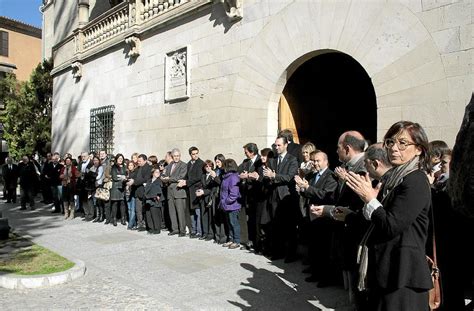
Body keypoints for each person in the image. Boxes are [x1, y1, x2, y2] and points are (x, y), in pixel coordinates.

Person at [345, 121, 433, 310]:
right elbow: (379, 219)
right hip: (387, 269)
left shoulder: (415, 180)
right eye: (390, 142)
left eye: (403, 143)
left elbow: (392, 224)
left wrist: (369, 199)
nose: (394, 148)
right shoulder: (393, 179)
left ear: (418, 149)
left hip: (403, 274)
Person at [295, 150, 338, 284]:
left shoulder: (331, 177)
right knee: (314, 245)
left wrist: (307, 187)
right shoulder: (313, 176)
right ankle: (314, 270)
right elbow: (310, 193)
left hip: (323, 217)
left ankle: (324, 277)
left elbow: (325, 195)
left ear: (326, 162)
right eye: (314, 161)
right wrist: (302, 189)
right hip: (312, 215)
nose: (315, 163)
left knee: (323, 248)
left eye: (318, 161)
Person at [264, 136, 299, 262]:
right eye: (275, 145)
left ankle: (291, 254)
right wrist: (267, 176)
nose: (276, 147)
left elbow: (289, 177)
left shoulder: (292, 160)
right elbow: (269, 177)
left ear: (285, 145)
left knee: (289, 226)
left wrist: (274, 175)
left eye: (279, 145)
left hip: (286, 196)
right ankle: (278, 251)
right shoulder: (273, 160)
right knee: (276, 225)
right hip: (274, 196)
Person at [161, 148, 188, 237]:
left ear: (180, 156)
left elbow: (181, 177)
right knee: (171, 211)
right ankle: (175, 229)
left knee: (180, 212)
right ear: (172, 156)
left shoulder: (183, 165)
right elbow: (163, 175)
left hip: (179, 191)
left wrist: (168, 179)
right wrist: (164, 178)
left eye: (178, 156)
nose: (176, 158)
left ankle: (182, 230)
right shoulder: (169, 165)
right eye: (175, 156)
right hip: (170, 191)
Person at [220, 159, 242, 249]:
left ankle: (236, 241)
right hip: (227, 205)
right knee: (229, 223)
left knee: (234, 223)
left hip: (233, 205)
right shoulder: (227, 176)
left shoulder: (233, 177)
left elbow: (234, 193)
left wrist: (226, 201)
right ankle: (231, 239)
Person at [127, 154, 152, 231]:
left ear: (145, 160)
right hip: (137, 191)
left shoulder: (148, 168)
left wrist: (134, 182)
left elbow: (146, 179)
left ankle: (145, 224)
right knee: (138, 210)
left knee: (144, 210)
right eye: (138, 161)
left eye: (140, 161)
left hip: (144, 191)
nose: (138, 162)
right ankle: (140, 224)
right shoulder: (138, 167)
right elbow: (135, 176)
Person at [108, 154, 127, 226]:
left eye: (121, 158)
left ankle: (123, 219)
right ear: (116, 159)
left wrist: (121, 176)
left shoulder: (125, 166)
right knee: (115, 203)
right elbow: (115, 177)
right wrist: (123, 177)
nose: (120, 160)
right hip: (115, 187)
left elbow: (127, 176)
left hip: (123, 187)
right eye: (119, 158)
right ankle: (114, 219)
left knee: (122, 203)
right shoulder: (114, 167)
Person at [144, 166, 164, 234]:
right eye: (156, 172)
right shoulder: (149, 180)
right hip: (148, 199)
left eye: (159, 172)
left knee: (155, 215)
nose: (158, 173)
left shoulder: (159, 181)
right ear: (153, 173)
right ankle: (151, 228)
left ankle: (157, 229)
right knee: (149, 214)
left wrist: (156, 195)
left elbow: (159, 190)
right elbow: (146, 189)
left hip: (155, 200)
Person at [125, 161, 138, 230]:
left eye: (131, 165)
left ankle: (130, 225)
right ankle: (134, 223)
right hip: (127, 193)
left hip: (133, 192)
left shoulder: (135, 173)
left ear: (134, 166)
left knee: (133, 209)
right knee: (129, 209)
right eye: (129, 165)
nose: (130, 166)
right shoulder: (127, 173)